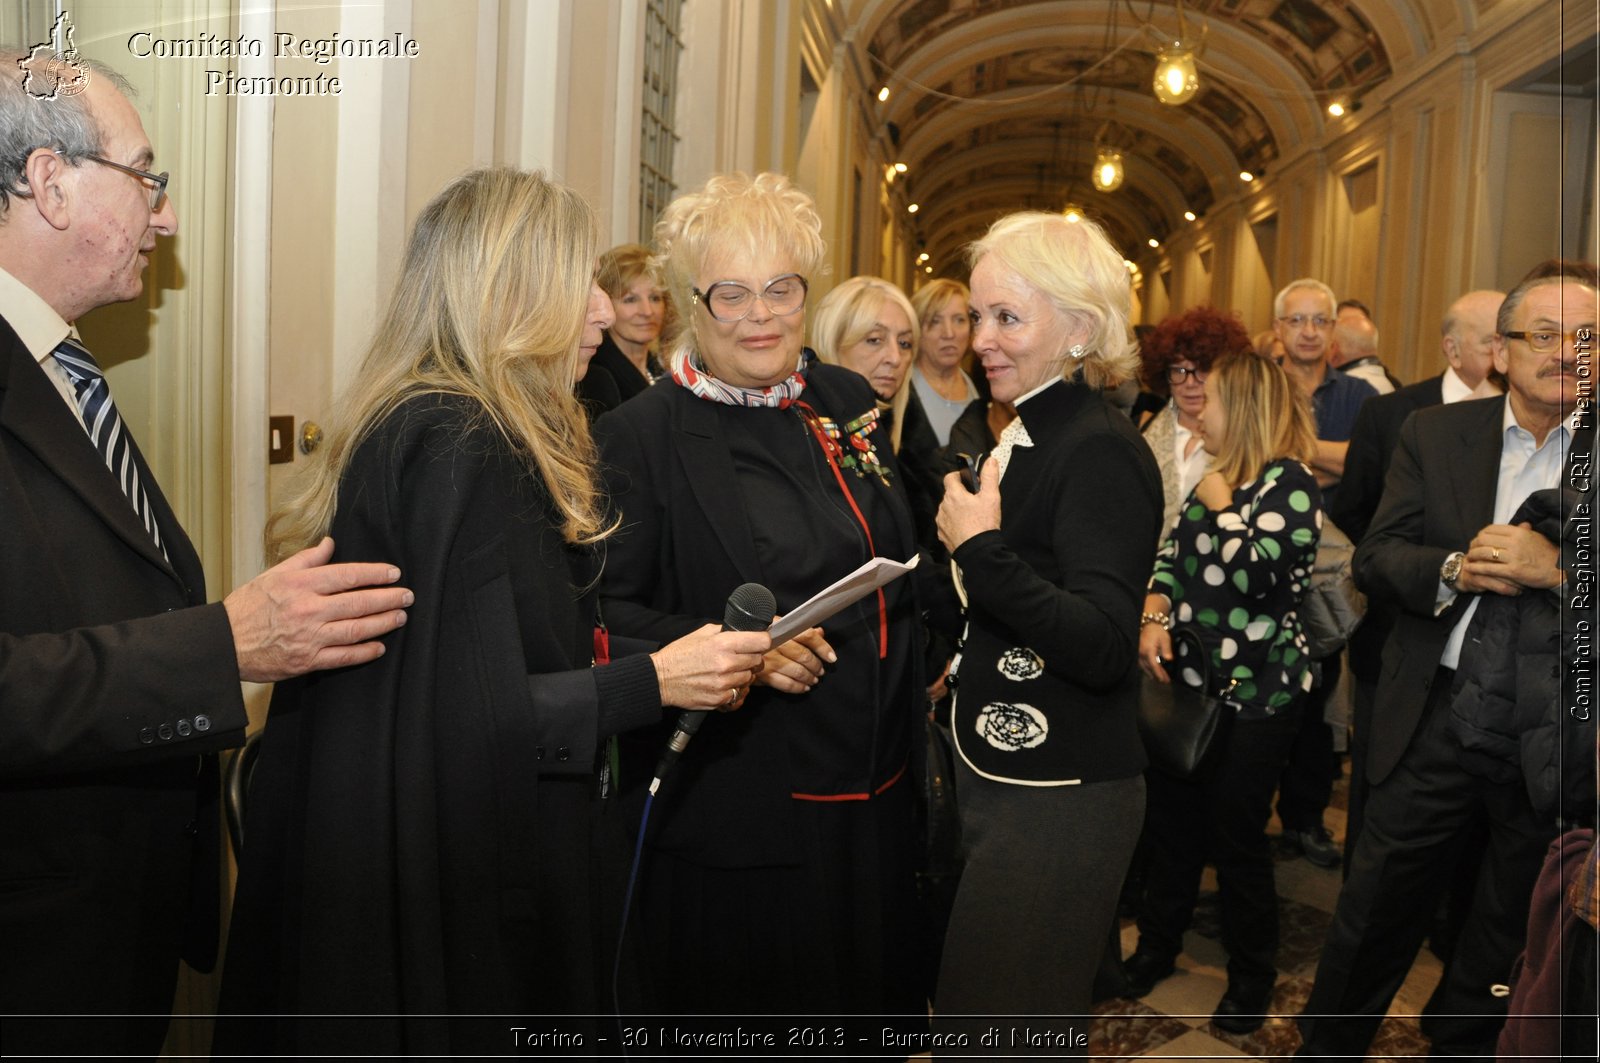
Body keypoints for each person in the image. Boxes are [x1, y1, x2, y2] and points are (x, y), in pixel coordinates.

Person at [213, 169, 769, 1055]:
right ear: (513, 292)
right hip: (451, 890)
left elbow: (504, 647)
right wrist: (655, 679)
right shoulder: (457, 441)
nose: (602, 312)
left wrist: (676, 653)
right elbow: (468, 716)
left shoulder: (450, 424)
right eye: (580, 283)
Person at [0, 51, 411, 1055]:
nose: (167, 215)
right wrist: (224, 644)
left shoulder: (58, 360)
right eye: (148, 177)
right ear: (51, 183)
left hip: (103, 932)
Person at [593, 172, 928, 1017]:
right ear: (687, 304)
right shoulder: (642, 434)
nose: (762, 315)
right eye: (731, 294)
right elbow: (600, 617)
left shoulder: (840, 399)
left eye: (781, 288)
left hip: (878, 789)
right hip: (747, 806)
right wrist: (741, 646)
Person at [1295, 271, 1593, 1060]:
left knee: (1504, 936)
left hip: (1556, 739)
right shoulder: (1435, 433)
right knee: (1372, 916)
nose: (1567, 354)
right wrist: (1459, 567)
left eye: (1588, 340)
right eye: (1546, 335)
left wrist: (1554, 570)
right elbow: (1378, 558)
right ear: (1501, 351)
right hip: (1434, 715)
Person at [931, 211, 1162, 1045]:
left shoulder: (1097, 447)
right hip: (1012, 778)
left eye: (1006, 318)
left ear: (1080, 331)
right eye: (977, 314)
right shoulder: (1029, 431)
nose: (978, 339)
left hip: (1063, 796)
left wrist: (982, 549)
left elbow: (1102, 644)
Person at [1126, 352, 1323, 1033]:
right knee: (1173, 825)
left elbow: (1266, 582)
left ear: (1243, 410)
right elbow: (1169, 560)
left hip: (1261, 693)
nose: (1195, 410)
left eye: (1208, 401)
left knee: (1236, 834)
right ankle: (1157, 944)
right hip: (1189, 686)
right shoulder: (1212, 479)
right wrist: (1155, 610)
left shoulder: (1289, 484)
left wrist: (1227, 510)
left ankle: (1251, 976)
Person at [1330, 289, 1504, 864]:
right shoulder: (1394, 412)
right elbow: (1356, 515)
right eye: (1492, 339)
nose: (1504, 351)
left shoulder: (1541, 428)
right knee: (1382, 807)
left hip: (1496, 674)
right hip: (1399, 639)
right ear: (1454, 349)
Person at [811, 275, 942, 550]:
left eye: (905, 344)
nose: (895, 358)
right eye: (874, 340)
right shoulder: (806, 433)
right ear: (833, 343)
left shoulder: (908, 431)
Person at [1137, 305, 1252, 535]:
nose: (1190, 383)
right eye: (1179, 371)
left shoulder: (1243, 442)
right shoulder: (1145, 433)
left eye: (1202, 369)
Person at [578, 242, 667, 415]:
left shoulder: (664, 369)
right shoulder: (594, 378)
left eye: (655, 298)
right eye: (630, 300)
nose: (647, 311)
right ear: (605, 302)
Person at [910, 277, 978, 445]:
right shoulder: (899, 391)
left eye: (959, 320)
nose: (949, 333)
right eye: (935, 321)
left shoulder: (984, 388)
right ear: (917, 329)